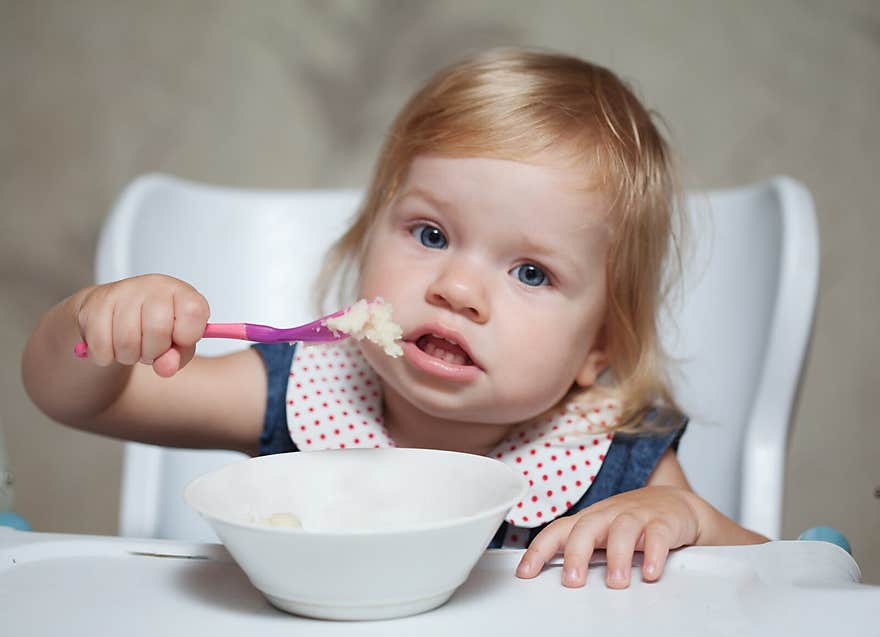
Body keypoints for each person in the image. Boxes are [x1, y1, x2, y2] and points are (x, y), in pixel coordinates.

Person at [21, 47, 767, 590]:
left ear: (597, 350)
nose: (458, 289)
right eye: (431, 235)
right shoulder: (308, 390)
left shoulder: (607, 453)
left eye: (531, 272)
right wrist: (98, 325)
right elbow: (83, 398)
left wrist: (688, 521)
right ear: (365, 237)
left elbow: (771, 579)